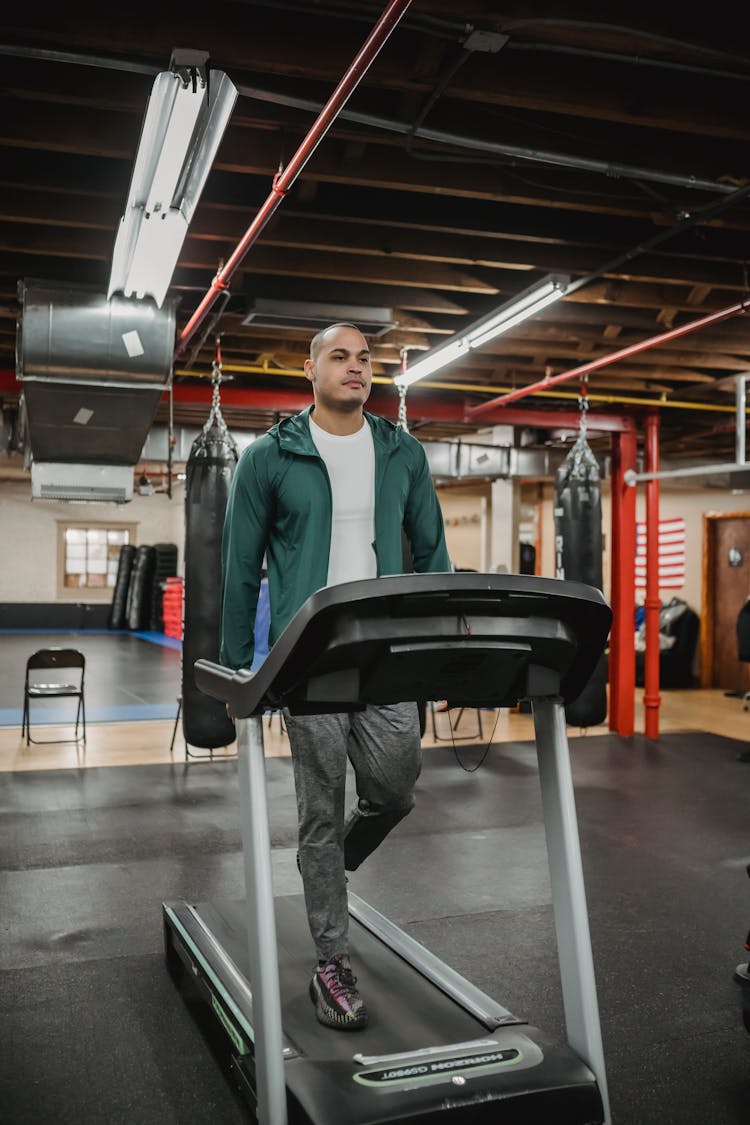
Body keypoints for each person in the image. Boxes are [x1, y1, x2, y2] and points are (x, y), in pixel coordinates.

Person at [220, 322, 450, 1031]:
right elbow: (240, 563)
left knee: (395, 787)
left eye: (365, 358)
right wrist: (233, 669)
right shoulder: (270, 456)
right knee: (318, 811)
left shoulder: (401, 451)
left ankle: (328, 864)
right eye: (341, 356)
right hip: (309, 656)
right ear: (311, 369)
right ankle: (331, 958)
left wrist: (437, 649)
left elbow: (432, 551)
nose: (357, 367)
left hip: (385, 652)